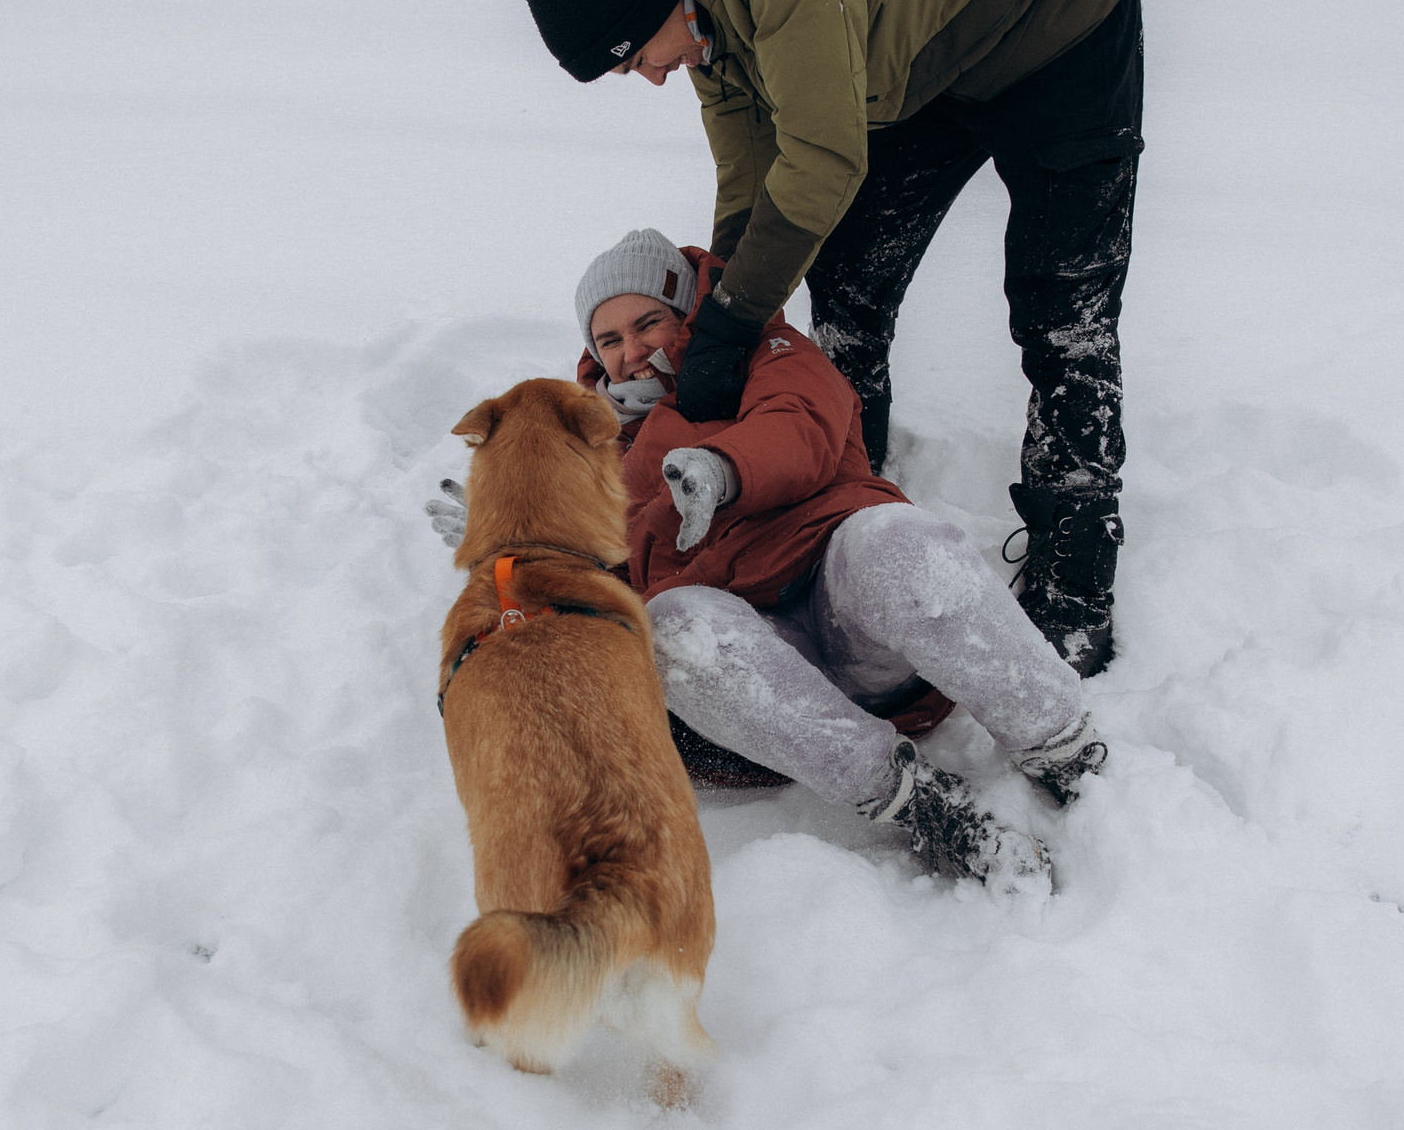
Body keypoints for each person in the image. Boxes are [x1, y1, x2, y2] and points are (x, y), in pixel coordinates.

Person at [519, 0, 1146, 677]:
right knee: (850, 280)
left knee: (1062, 307)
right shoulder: (701, 15)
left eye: (636, 59)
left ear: (647, 4)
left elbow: (821, 158)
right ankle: (839, 499)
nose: (655, 78)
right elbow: (749, 180)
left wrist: (737, 320)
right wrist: (720, 320)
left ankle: (1074, 585)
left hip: (1060, 5)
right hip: (930, 56)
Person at [432, 229, 1105, 886]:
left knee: (898, 543)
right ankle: (918, 803)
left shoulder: (768, 350)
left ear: (687, 310)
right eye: (610, 340)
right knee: (674, 626)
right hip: (759, 691)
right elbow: (588, 590)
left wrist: (724, 467)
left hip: (851, 611)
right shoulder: (591, 451)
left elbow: (801, 424)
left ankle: (1066, 748)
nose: (633, 352)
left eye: (648, 324)